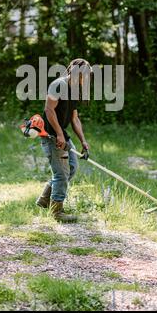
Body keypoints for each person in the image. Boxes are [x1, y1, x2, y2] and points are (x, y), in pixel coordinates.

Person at [36, 58, 92, 222]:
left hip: (62, 135)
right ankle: (56, 212)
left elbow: (74, 118)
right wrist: (59, 134)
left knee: (72, 167)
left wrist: (83, 141)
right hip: (51, 136)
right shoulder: (58, 84)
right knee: (61, 174)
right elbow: (49, 109)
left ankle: (44, 199)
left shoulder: (75, 89)